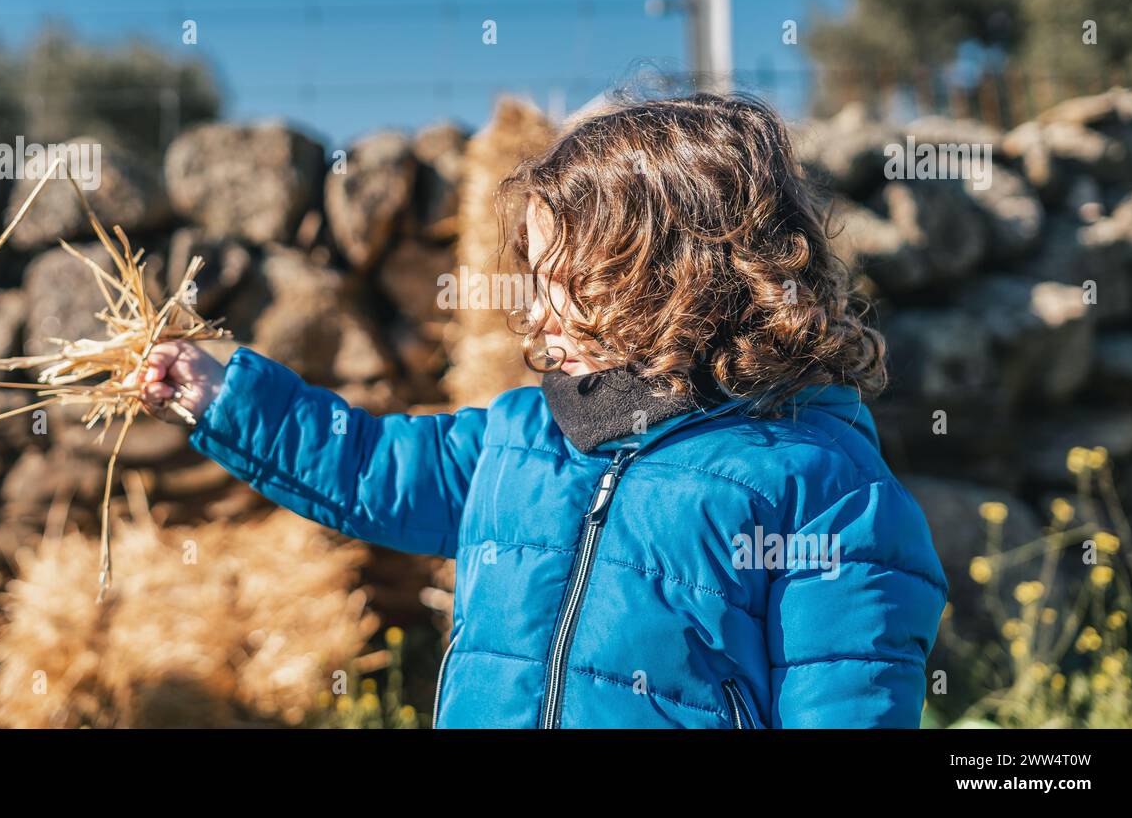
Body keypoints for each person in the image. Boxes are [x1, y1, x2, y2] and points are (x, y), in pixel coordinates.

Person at [138, 93, 949, 728]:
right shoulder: (522, 436)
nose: (537, 309)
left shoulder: (821, 488)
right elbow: (370, 466)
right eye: (535, 276)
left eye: (572, 279)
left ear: (683, 276)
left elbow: (844, 697)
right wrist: (226, 396)